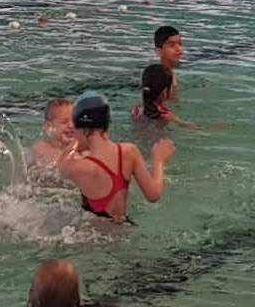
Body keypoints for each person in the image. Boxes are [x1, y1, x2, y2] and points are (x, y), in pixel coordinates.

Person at [58, 93, 174, 224]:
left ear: (81, 128)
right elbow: (153, 195)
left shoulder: (80, 167)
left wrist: (75, 143)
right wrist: (159, 160)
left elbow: (61, 168)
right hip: (126, 228)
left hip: (95, 233)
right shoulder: (129, 151)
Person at [131, 64, 195, 129]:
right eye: (172, 86)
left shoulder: (136, 109)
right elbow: (188, 126)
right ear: (164, 91)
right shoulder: (166, 114)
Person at [30, 98, 74, 170]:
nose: (72, 125)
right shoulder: (41, 148)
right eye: (64, 122)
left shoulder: (82, 149)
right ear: (49, 126)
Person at [154, 25, 184, 99]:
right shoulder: (155, 79)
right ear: (159, 51)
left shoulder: (177, 71)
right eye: (172, 45)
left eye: (180, 44)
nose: (179, 49)